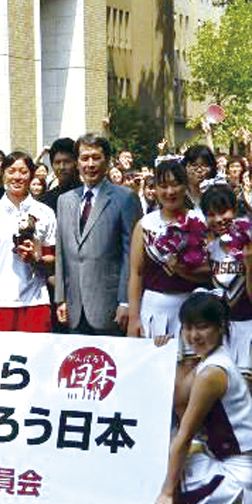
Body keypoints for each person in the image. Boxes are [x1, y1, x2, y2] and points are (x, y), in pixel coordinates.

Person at [151, 292, 252, 504]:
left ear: (221, 328)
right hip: (220, 457)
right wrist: (168, 352)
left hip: (240, 469)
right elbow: (178, 399)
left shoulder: (212, 373)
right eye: (187, 328)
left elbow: (184, 434)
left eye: (202, 327)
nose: (194, 335)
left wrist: (166, 493)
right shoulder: (209, 360)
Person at [55, 133, 142, 335]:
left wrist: (126, 301)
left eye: (96, 157)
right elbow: (62, 254)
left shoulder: (125, 198)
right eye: (85, 158)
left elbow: (132, 255)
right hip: (74, 309)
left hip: (111, 308)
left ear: (108, 161)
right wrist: (61, 298)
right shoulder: (65, 200)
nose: (90, 164)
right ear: (77, 163)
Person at [127, 160, 207, 354]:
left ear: (185, 186)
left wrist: (182, 269)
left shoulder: (201, 220)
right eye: (163, 186)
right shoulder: (145, 225)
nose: (170, 192)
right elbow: (136, 274)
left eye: (175, 184)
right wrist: (134, 318)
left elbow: (212, 270)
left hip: (192, 310)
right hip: (154, 310)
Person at [0, 151, 55, 332]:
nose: (17, 177)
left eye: (23, 171)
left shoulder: (45, 213)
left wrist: (35, 258)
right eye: (11, 171)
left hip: (35, 302)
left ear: (32, 174)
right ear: (4, 174)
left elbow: (52, 261)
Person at [201, 184, 252, 386]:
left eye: (223, 211)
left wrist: (249, 264)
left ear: (234, 208)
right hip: (223, 332)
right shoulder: (210, 248)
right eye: (211, 214)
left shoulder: (249, 241)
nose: (218, 219)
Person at [41, 137, 82, 213]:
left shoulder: (88, 196)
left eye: (67, 162)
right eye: (57, 162)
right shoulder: (46, 201)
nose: (62, 167)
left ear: (77, 163)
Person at [182, 144, 217, 211]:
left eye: (204, 165)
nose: (199, 170)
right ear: (185, 166)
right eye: (194, 165)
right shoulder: (178, 195)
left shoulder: (212, 193)